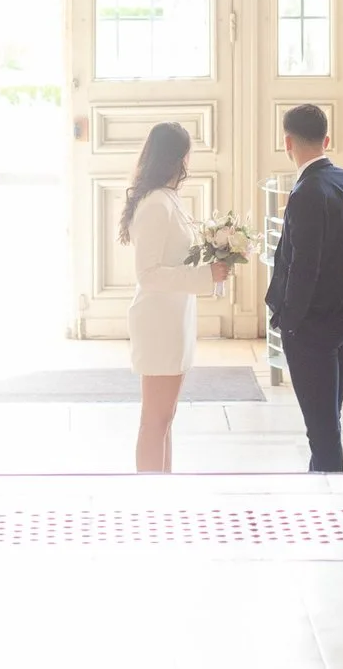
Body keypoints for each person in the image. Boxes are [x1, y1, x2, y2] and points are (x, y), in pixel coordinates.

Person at [264, 102, 343, 473]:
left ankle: (330, 505)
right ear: (327, 139)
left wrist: (290, 323)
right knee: (328, 421)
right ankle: (322, 490)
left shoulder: (306, 193)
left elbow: (303, 268)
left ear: (287, 143)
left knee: (323, 432)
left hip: (313, 329)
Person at [122, 121, 226, 472]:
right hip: (157, 322)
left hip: (175, 318)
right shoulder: (155, 204)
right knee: (155, 420)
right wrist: (204, 275)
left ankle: (166, 494)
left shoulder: (168, 199)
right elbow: (147, 274)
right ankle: (151, 503)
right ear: (177, 157)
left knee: (165, 418)